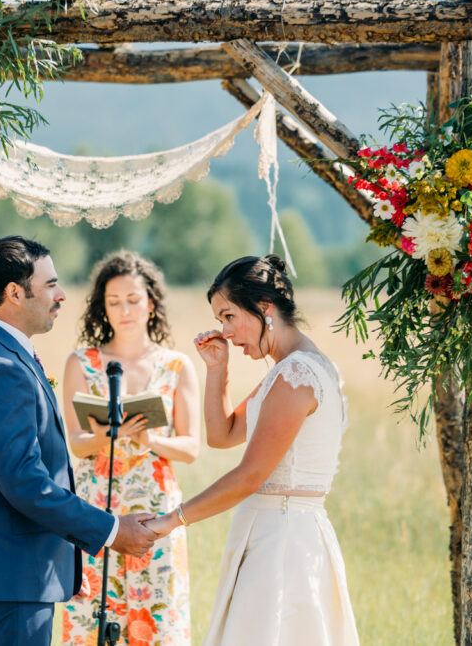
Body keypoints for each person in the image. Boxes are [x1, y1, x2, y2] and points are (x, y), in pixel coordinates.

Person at [0, 236, 159, 646]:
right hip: (10, 578)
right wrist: (112, 530)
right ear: (14, 293)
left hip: (7, 576)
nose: (61, 295)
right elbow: (25, 482)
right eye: (50, 285)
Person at [146, 254, 360, 646]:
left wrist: (172, 520)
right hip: (280, 533)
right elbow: (223, 433)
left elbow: (250, 476)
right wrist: (217, 370)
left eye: (229, 316)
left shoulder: (296, 376)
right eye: (220, 319)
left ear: (264, 308)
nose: (224, 331)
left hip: (282, 544)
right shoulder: (296, 367)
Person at [60, 251, 201, 646]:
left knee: (158, 619)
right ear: (102, 308)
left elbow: (191, 448)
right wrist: (111, 435)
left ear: (151, 302)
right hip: (94, 507)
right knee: (92, 620)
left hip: (155, 509)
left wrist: (149, 439)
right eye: (114, 302)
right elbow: (75, 443)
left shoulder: (176, 365)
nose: (125, 310)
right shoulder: (81, 362)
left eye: (133, 300)